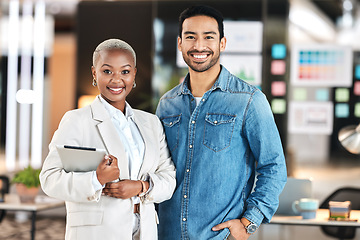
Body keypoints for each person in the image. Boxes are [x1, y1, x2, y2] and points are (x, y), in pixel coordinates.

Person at [156, 5, 287, 240]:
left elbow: (274, 167)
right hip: (167, 233)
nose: (199, 46)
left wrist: (248, 222)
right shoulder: (167, 104)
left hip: (219, 236)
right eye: (190, 37)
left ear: (222, 43)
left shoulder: (248, 100)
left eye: (209, 37)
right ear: (180, 44)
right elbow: (157, 167)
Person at [40, 38, 176, 240]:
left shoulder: (151, 123)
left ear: (134, 74)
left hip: (145, 232)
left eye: (125, 71)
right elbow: (49, 179)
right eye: (107, 71)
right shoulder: (76, 120)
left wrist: (141, 187)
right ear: (94, 74)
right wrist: (96, 179)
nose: (116, 79)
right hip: (97, 233)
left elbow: (169, 179)